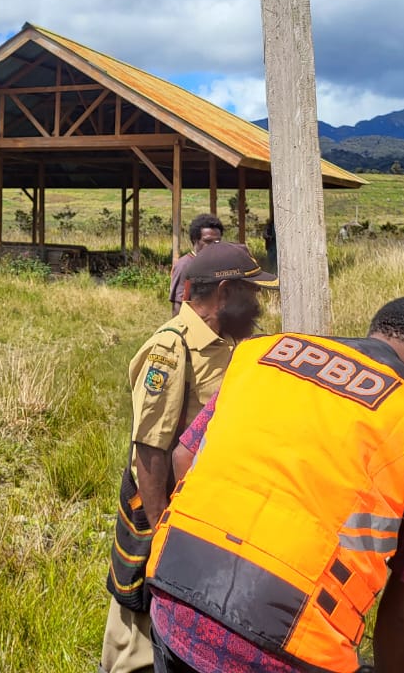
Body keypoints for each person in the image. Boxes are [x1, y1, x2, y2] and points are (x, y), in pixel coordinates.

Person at [147, 297, 404, 673]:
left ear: (376, 332)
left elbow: (184, 456)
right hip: (289, 651)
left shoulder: (263, 353)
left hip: (174, 602)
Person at [101, 242, 279, 673]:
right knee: (138, 638)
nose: (257, 303)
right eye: (249, 292)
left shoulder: (230, 344)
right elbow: (150, 450)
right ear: (223, 292)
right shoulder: (172, 348)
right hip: (162, 509)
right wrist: (162, 535)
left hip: (203, 510)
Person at [169, 214, 225, 315]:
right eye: (208, 241)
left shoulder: (219, 263)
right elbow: (178, 307)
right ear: (195, 240)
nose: (214, 246)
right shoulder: (185, 266)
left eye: (218, 241)